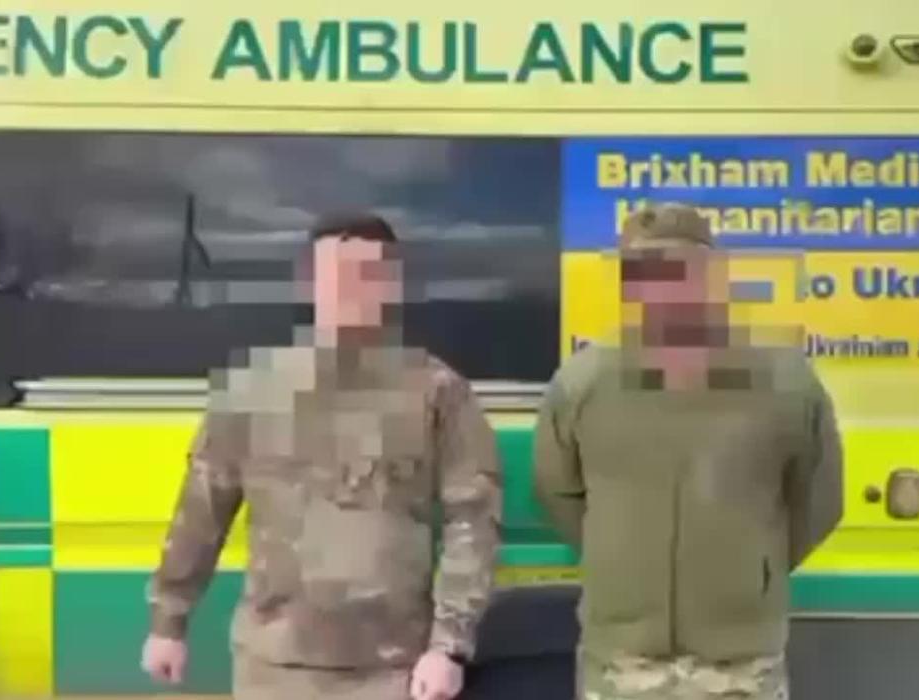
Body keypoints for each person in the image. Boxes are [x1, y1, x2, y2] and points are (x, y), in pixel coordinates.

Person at [140, 213, 504, 700]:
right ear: (310, 283)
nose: (351, 290)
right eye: (337, 274)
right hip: (273, 667)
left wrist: (449, 647)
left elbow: (473, 520)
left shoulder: (439, 392)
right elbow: (202, 510)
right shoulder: (251, 390)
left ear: (391, 285)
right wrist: (168, 623)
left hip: (392, 670)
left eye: (367, 274)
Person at [533, 203, 844, 700]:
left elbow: (820, 502)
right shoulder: (584, 383)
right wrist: (621, 566)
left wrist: (754, 572)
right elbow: (558, 494)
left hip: (741, 664)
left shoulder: (785, 382)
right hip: (621, 662)